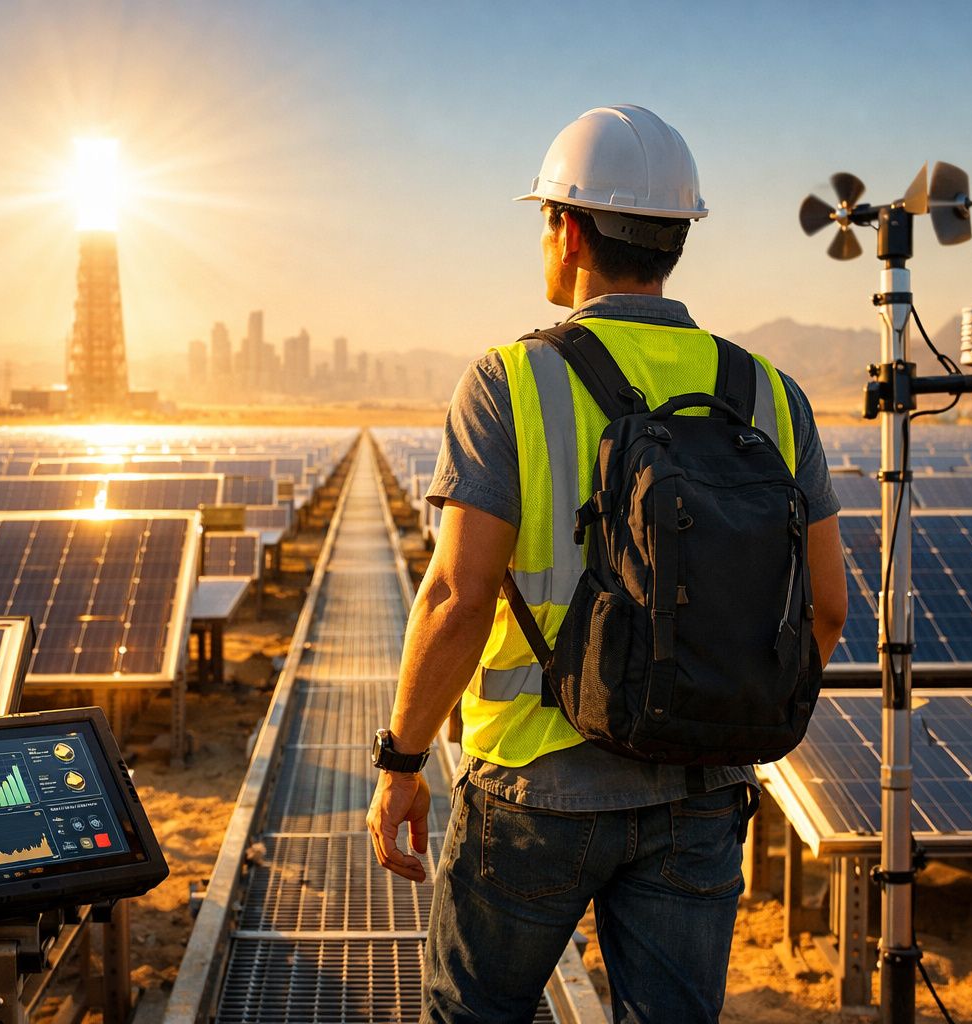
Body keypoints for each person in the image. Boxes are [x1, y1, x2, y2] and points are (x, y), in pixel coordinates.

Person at [366, 104, 848, 1024]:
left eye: (546, 218)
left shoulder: (510, 380)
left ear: (569, 228)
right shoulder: (772, 394)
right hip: (703, 791)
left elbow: (459, 595)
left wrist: (401, 760)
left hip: (534, 784)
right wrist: (721, 714)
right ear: (676, 237)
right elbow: (826, 608)